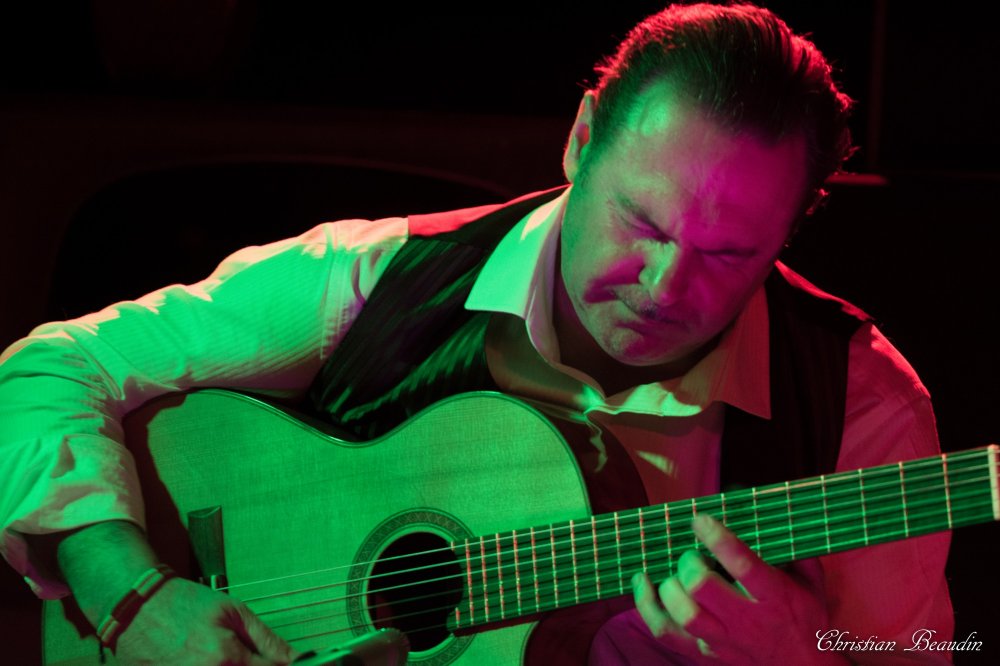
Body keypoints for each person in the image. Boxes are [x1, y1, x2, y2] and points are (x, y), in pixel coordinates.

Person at [0, 3, 954, 664]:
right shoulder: (376, 276)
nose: (667, 284)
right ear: (582, 138)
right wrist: (133, 596)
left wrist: (807, 657)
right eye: (642, 222)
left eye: (731, 253)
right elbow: (49, 367)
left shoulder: (862, 406)